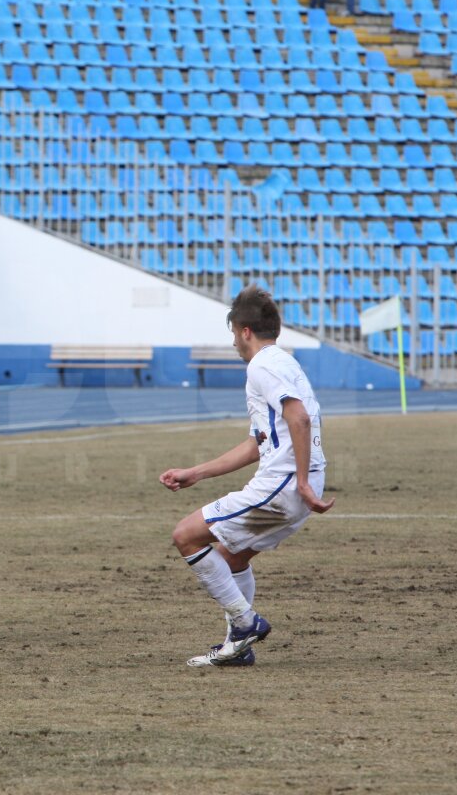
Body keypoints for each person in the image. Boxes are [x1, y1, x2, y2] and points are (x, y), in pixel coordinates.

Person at [159, 285, 334, 668]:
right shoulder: (284, 362)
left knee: (185, 536)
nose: (235, 344)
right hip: (297, 483)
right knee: (231, 556)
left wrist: (301, 481)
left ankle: (245, 623)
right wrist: (196, 473)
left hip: (285, 484)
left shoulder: (262, 366)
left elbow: (299, 418)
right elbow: (258, 443)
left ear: (244, 331)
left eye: (234, 335)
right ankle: (238, 648)